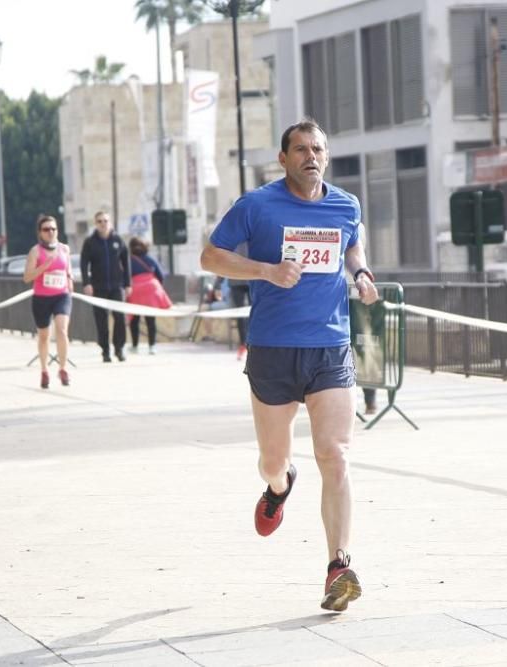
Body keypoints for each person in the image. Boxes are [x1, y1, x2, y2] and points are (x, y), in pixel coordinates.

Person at [200, 119, 379, 612]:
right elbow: (210, 256)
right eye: (300, 149)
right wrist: (266, 271)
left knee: (336, 454)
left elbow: (352, 243)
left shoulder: (346, 204)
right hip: (273, 349)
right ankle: (279, 488)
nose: (310, 156)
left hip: (329, 347)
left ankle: (338, 566)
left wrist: (361, 272)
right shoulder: (256, 206)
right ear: (283, 159)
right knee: (273, 461)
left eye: (318, 148)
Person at [23, 214, 73, 388]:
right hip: (42, 298)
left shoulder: (64, 249)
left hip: (62, 295)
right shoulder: (36, 251)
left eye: (53, 229)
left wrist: (70, 282)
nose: (50, 232)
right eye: (46, 229)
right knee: (44, 336)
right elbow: (27, 277)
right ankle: (44, 370)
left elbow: (68, 271)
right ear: (40, 233)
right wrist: (43, 267)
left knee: (62, 329)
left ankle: (63, 368)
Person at [80, 211, 130, 362]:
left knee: (120, 318)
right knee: (101, 320)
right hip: (98, 287)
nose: (103, 224)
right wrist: (86, 283)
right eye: (100, 221)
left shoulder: (118, 240)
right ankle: (105, 350)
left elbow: (126, 263)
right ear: (96, 224)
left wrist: (128, 284)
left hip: (116, 286)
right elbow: (84, 264)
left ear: (110, 222)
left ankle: (119, 348)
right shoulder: (90, 242)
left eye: (106, 221)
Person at [127, 236, 171, 354]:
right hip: (150, 290)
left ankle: (135, 346)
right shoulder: (150, 259)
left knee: (134, 320)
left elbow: (124, 277)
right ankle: (152, 346)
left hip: (135, 291)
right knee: (150, 319)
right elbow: (161, 275)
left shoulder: (129, 260)